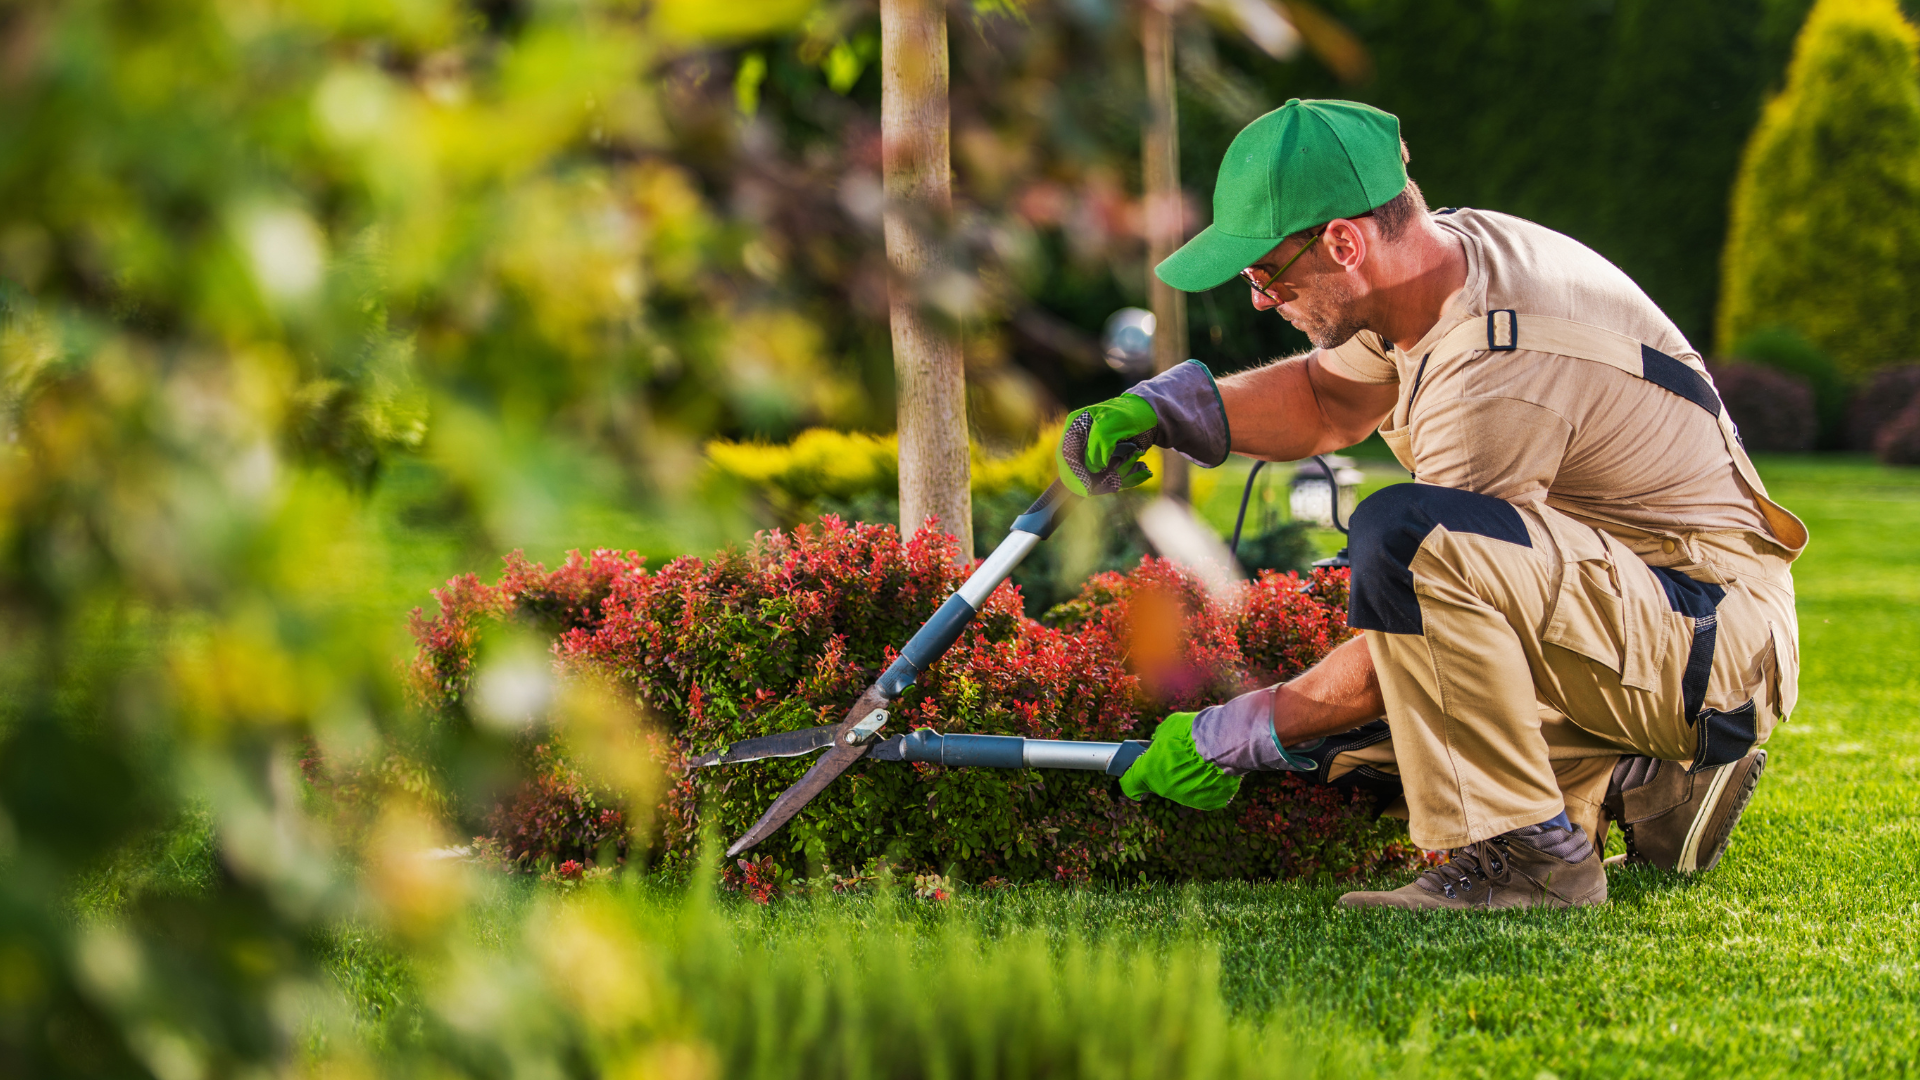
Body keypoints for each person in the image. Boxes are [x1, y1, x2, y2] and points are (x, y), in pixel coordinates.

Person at [1058, 99, 1804, 910]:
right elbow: (1326, 398)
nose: (1261, 302)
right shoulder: (1435, 266)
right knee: (1368, 744)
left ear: (1344, 241)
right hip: (1650, 605)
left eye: (1266, 274)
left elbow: (1410, 631)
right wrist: (1171, 412)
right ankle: (1647, 781)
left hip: (1710, 639)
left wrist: (1233, 733)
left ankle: (1534, 859)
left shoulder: (1496, 366)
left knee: (1402, 552)